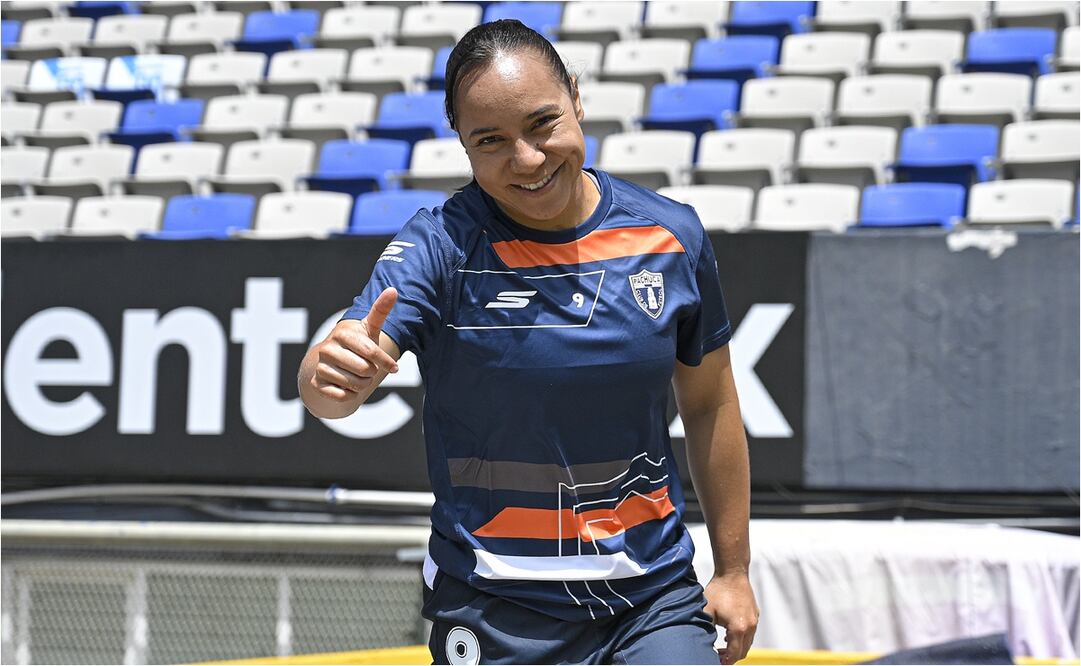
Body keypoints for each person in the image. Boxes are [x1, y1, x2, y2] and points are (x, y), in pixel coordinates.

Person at [299, 19, 758, 665]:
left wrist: (733, 571)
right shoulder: (440, 244)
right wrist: (327, 377)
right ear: (461, 141)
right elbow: (334, 386)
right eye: (490, 140)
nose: (527, 159)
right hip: (495, 607)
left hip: (652, 602)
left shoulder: (670, 236)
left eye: (542, 123)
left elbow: (711, 405)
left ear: (575, 95)